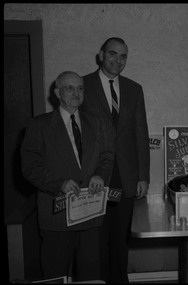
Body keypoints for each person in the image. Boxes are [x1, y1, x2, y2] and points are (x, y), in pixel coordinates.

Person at [20, 71, 114, 281]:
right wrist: (59, 183)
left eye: (80, 88)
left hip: (90, 214)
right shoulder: (39, 125)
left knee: (91, 275)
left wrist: (99, 175)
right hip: (57, 215)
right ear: (57, 93)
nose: (76, 93)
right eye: (69, 88)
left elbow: (107, 155)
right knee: (55, 274)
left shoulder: (96, 122)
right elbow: (30, 167)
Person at [81, 37, 150, 283]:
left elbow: (141, 133)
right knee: (96, 238)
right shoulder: (83, 86)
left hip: (126, 175)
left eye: (123, 56)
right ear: (101, 55)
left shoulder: (134, 89)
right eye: (113, 54)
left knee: (121, 238)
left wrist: (143, 176)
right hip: (94, 175)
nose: (118, 60)